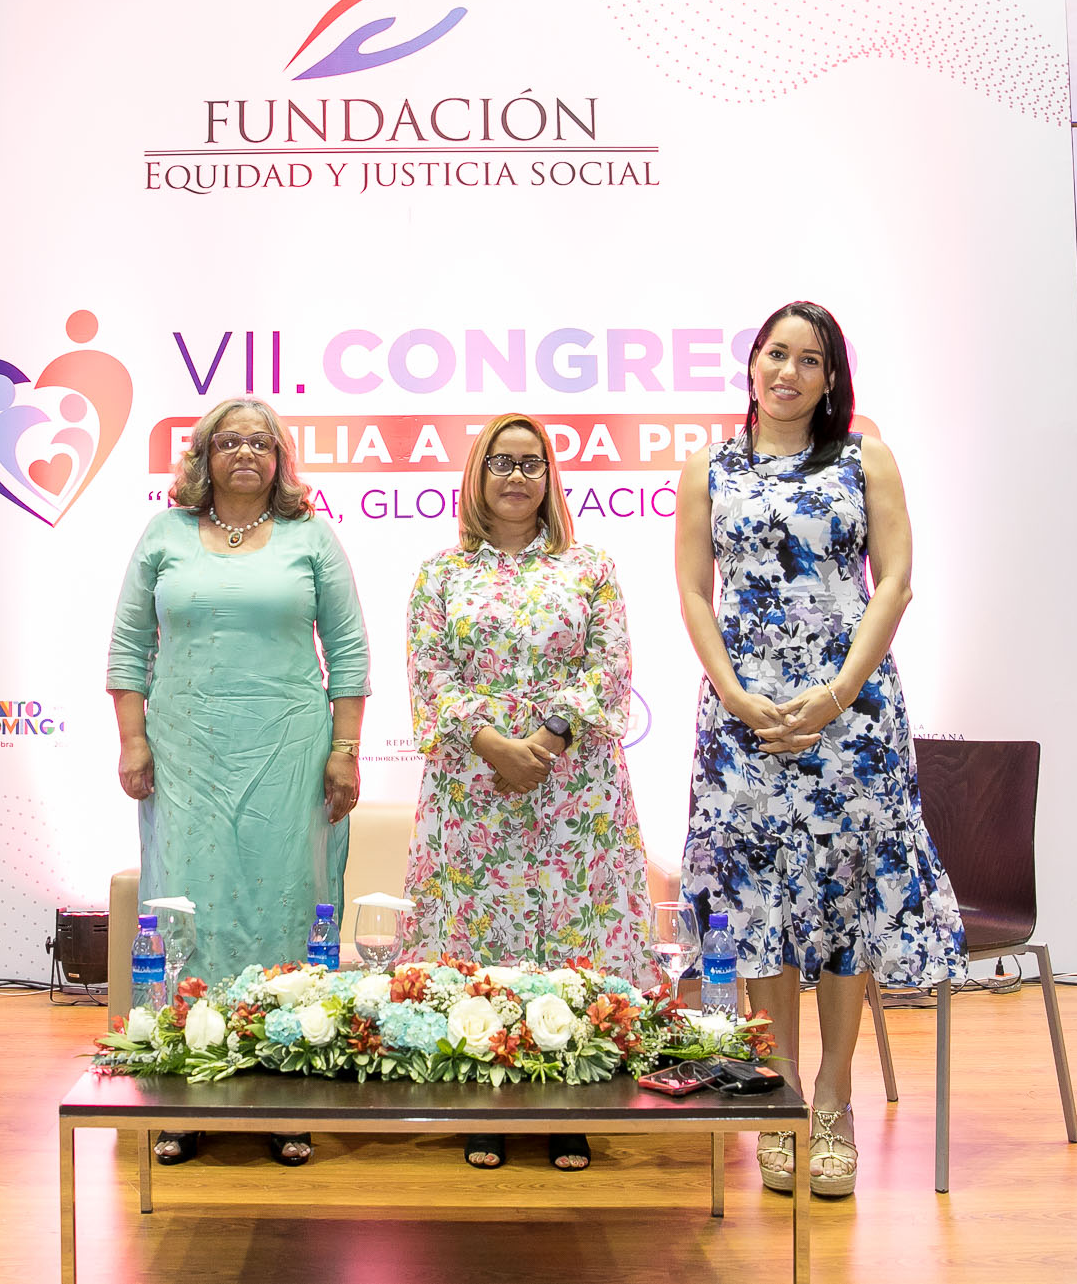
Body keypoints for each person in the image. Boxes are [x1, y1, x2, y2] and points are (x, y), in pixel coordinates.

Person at [675, 301, 964, 1198]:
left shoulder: (864, 458)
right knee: (757, 901)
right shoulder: (708, 466)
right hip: (744, 717)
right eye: (776, 353)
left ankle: (834, 1096)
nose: (788, 372)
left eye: (809, 359)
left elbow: (895, 582)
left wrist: (838, 692)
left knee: (844, 900)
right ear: (752, 364)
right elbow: (694, 592)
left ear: (831, 377)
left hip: (853, 715)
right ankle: (781, 1092)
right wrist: (734, 694)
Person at [106, 397, 370, 1168]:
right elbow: (127, 645)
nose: (245, 453)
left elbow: (349, 652)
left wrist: (345, 748)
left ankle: (286, 1092)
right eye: (229, 441)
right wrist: (132, 738)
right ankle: (183, 1094)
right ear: (204, 455)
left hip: (289, 753)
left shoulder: (310, 536)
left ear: (280, 457)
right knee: (185, 908)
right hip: (185, 752)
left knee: (285, 906)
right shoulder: (163, 533)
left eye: (261, 442)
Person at [401, 412, 655, 1173]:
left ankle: (572, 1103)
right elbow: (430, 675)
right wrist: (492, 745)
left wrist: (545, 741)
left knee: (574, 938)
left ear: (550, 477)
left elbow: (609, 667)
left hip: (573, 790)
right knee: (478, 939)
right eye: (502, 462)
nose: (517, 476)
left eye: (531, 463)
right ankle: (484, 1098)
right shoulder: (441, 573)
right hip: (472, 787)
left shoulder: (591, 566)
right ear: (477, 475)